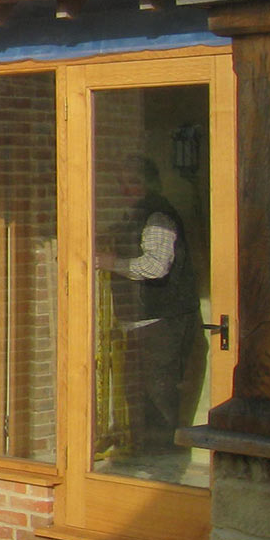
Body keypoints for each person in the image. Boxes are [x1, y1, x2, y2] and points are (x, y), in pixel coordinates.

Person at [96, 156, 202, 460]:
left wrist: (111, 263)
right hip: (141, 322)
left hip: (162, 321)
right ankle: (147, 457)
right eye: (123, 183)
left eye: (134, 182)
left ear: (150, 183)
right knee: (138, 395)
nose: (127, 189)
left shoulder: (157, 216)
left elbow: (155, 266)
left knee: (159, 396)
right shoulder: (137, 214)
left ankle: (162, 465)